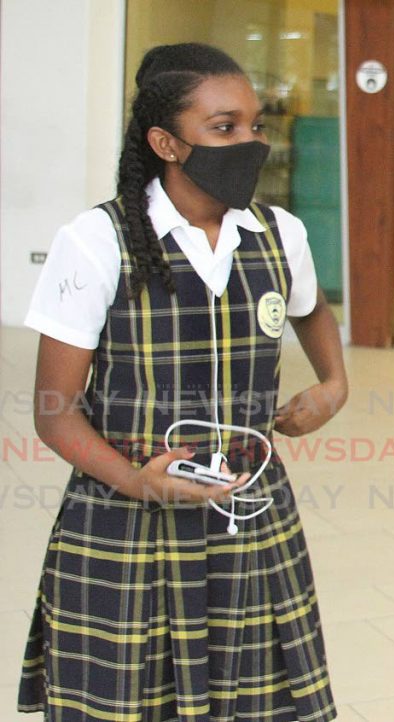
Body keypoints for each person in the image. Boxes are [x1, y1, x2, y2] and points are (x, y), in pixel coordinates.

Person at [18, 43, 346, 721]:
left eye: (255, 126)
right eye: (224, 128)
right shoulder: (98, 241)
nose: (250, 143)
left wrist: (334, 383)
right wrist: (137, 479)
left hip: (249, 515)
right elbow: (55, 412)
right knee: (130, 700)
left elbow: (312, 310)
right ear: (165, 142)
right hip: (125, 514)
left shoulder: (278, 233)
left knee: (251, 697)